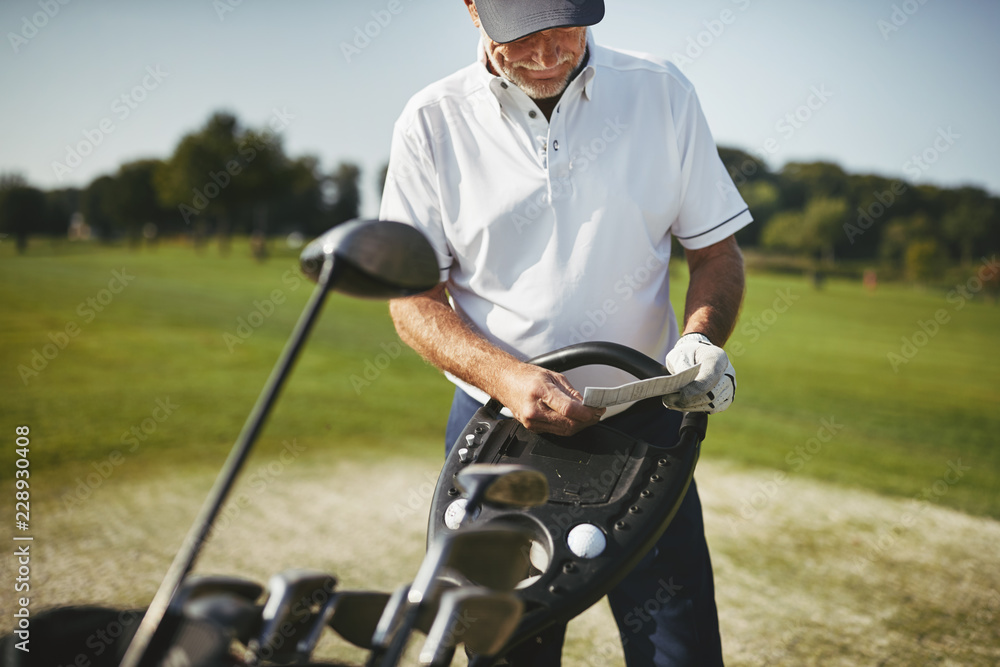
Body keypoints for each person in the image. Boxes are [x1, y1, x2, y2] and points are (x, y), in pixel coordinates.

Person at [380, 1, 751, 664]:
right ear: (473, 9)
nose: (550, 55)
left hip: (645, 429)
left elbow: (717, 255)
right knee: (507, 650)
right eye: (526, 35)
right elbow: (413, 298)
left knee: (679, 648)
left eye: (567, 29)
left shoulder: (661, 93)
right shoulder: (432, 120)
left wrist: (700, 338)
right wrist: (509, 377)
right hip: (497, 430)